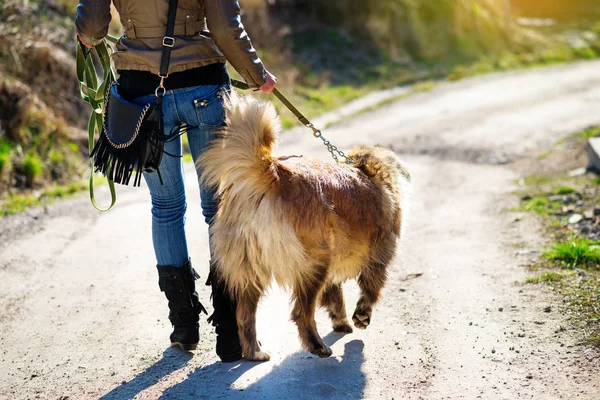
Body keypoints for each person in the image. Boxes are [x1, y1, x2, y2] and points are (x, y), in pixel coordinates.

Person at [75, 0, 277, 362]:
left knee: (166, 207)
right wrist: (257, 75)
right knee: (220, 208)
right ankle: (231, 332)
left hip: (141, 94)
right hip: (204, 88)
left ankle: (184, 326)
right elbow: (225, 26)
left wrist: (90, 37)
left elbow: (91, 31)